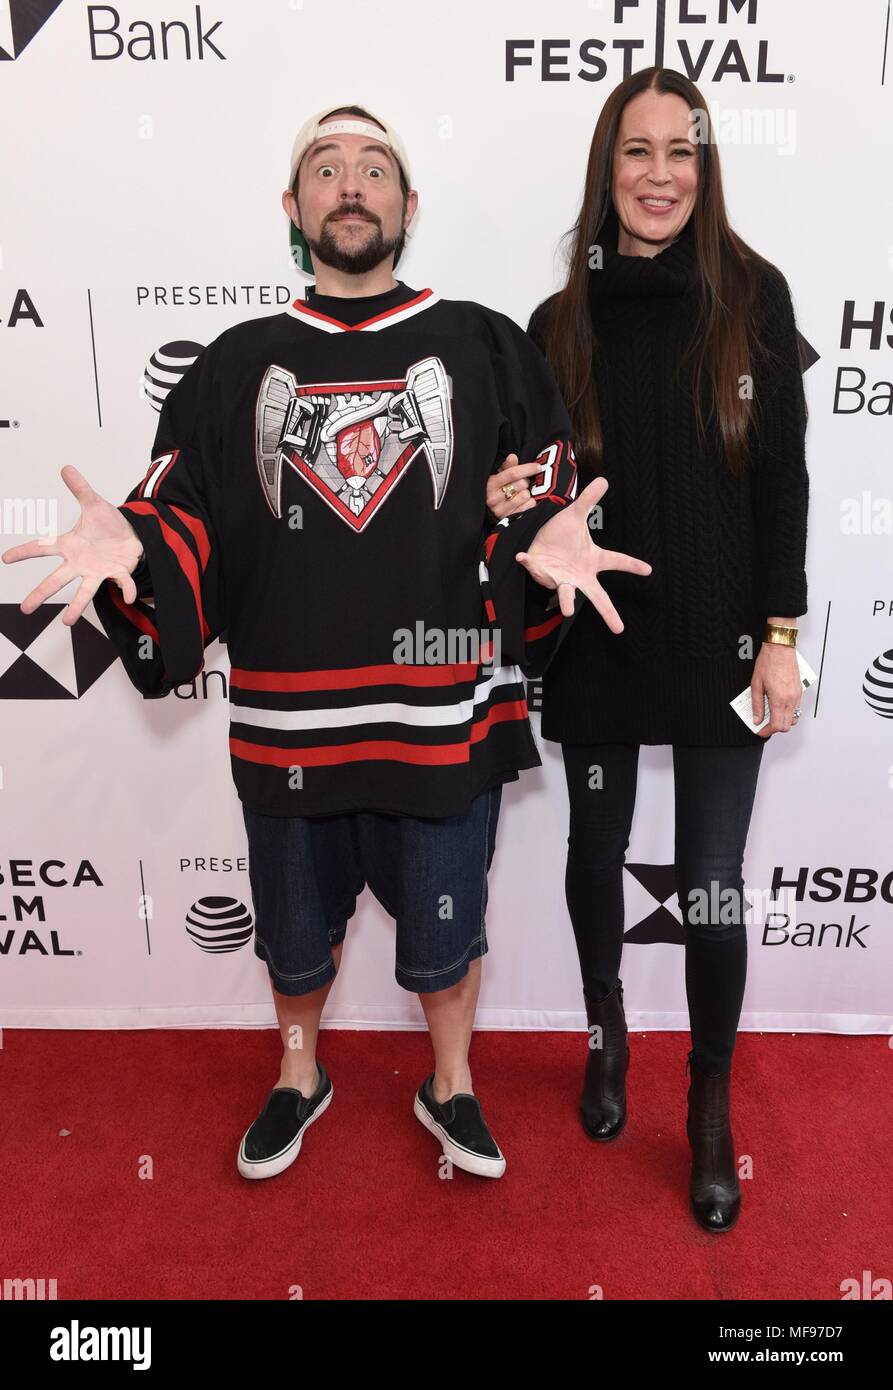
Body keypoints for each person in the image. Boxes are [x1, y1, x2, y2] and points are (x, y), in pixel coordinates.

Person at [4, 103, 651, 1184]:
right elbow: (183, 513)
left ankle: (449, 1080)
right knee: (294, 943)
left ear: (407, 204)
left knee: (448, 934)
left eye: (373, 169)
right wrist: (137, 537)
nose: (350, 185)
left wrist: (541, 537)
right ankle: (298, 1070)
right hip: (287, 720)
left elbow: (536, 499)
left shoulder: (485, 344)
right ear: (293, 208)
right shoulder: (231, 365)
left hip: (438, 725)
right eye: (324, 168)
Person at [488, 68, 809, 1231]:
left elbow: (782, 483)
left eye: (680, 150)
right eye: (636, 150)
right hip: (598, 644)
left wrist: (780, 637)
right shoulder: (552, 323)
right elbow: (526, 508)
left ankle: (708, 1099)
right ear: (604, 164)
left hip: (725, 646)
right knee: (594, 851)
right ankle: (603, 1029)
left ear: (705, 164)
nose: (659, 173)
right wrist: (510, 507)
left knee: (712, 885)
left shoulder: (752, 296)